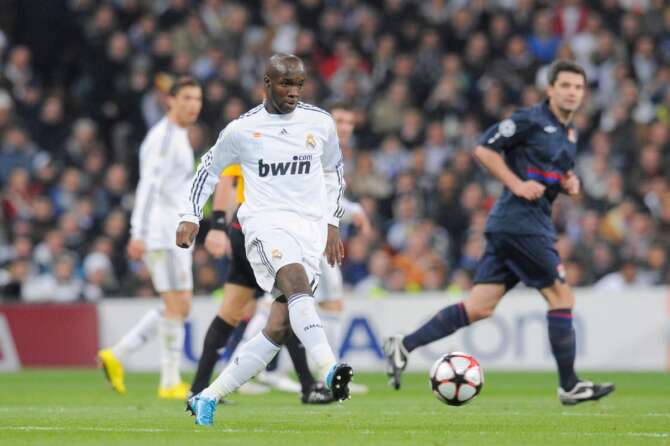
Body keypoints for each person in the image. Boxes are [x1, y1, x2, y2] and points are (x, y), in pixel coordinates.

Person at [384, 60, 615, 406]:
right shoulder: (529, 119)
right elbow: (483, 148)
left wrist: (568, 184)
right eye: (565, 85)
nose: (572, 92)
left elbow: (550, 176)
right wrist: (517, 184)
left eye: (578, 87)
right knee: (562, 299)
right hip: (522, 224)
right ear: (550, 89)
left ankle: (404, 344)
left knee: (479, 307)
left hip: (513, 225)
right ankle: (569, 385)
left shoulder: (568, 133)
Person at [177, 54, 353, 426]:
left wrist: (332, 222)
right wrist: (191, 216)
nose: (293, 91)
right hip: (264, 225)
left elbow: (333, 173)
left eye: (299, 84)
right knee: (295, 282)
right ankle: (327, 366)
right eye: (286, 83)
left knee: (277, 326)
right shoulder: (243, 130)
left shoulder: (320, 123)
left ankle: (207, 397)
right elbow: (207, 170)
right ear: (266, 83)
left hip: (309, 230)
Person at [190, 165, 335, 404]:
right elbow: (226, 179)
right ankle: (309, 385)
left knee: (233, 311)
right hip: (260, 230)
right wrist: (216, 226)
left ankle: (198, 388)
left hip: (252, 228)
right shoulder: (252, 131)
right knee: (288, 302)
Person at [97, 76, 202, 399]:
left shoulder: (180, 137)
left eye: (197, 99)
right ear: (169, 101)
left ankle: (119, 354)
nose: (192, 105)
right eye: (185, 98)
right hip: (161, 232)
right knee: (176, 305)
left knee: (179, 306)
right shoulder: (165, 138)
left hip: (176, 232)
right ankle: (169, 381)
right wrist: (137, 232)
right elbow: (148, 186)